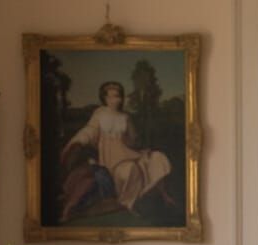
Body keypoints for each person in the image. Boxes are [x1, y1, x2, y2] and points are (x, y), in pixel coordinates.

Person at [59, 81, 174, 222]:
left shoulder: (125, 117)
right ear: (105, 98)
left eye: (118, 96)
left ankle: (164, 195)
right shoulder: (100, 114)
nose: (116, 100)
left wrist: (134, 140)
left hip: (130, 155)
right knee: (130, 169)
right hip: (113, 164)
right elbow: (89, 131)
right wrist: (78, 141)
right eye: (112, 96)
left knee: (158, 157)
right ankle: (127, 203)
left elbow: (133, 142)